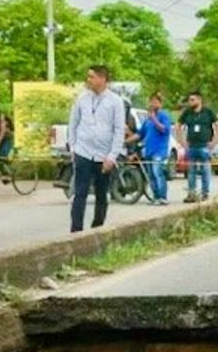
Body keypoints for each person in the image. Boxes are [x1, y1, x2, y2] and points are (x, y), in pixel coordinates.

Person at [68, 65, 126, 233]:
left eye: (92, 77)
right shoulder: (82, 99)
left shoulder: (115, 101)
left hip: (104, 156)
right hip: (83, 152)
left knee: (101, 195)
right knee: (80, 194)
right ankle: (76, 231)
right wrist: (73, 147)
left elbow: (118, 130)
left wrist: (112, 156)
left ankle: (97, 229)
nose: (88, 80)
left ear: (102, 79)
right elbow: (73, 122)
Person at [177, 91, 218, 203]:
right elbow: (178, 125)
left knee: (205, 170)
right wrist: (182, 142)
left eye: (192, 100)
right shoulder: (187, 113)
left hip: (204, 145)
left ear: (199, 100)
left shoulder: (208, 112)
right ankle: (192, 193)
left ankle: (205, 193)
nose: (190, 102)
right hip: (191, 145)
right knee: (191, 171)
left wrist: (214, 142)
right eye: (189, 100)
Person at [136, 93, 172, 205]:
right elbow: (140, 134)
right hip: (149, 151)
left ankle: (163, 197)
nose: (153, 104)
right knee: (150, 175)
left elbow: (164, 130)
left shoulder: (163, 115)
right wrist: (126, 139)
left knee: (157, 172)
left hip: (159, 151)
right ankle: (156, 197)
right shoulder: (147, 120)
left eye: (155, 102)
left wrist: (154, 119)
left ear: (160, 104)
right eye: (151, 101)